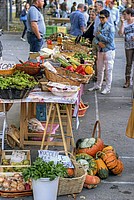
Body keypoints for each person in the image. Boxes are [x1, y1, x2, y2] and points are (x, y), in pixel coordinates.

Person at [88, 9, 115, 94]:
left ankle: (108, 87)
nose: (101, 19)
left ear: (107, 17)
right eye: (100, 17)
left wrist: (100, 36)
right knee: (99, 69)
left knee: (108, 70)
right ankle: (98, 85)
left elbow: (110, 40)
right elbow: (95, 37)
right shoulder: (99, 25)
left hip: (108, 50)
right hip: (100, 49)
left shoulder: (110, 27)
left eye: (103, 18)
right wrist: (98, 42)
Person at [118, 8, 134, 88]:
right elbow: (120, 33)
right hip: (128, 45)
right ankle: (127, 80)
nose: (123, 16)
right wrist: (122, 23)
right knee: (129, 63)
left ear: (129, 15)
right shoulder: (124, 22)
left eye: (125, 14)